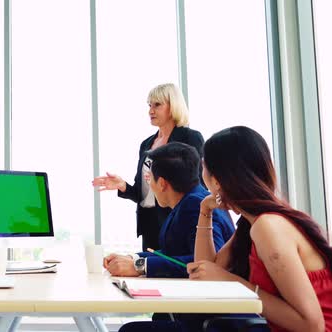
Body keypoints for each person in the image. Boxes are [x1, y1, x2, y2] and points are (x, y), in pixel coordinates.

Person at [187, 126, 332, 331]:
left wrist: (233, 281)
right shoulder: (254, 223)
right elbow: (205, 269)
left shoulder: (267, 227)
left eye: (204, 167)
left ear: (217, 181)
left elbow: (312, 325)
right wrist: (205, 209)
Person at [105, 142, 234, 332]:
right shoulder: (190, 201)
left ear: (163, 183)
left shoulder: (195, 206)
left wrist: (140, 267)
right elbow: (171, 252)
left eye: (150, 180)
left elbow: (206, 263)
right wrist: (133, 258)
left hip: (211, 321)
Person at [92, 83, 204, 251]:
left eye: (157, 105)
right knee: (148, 272)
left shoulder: (190, 137)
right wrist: (123, 186)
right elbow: (142, 193)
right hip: (149, 223)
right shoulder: (146, 144)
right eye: (149, 105)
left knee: (175, 270)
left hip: (177, 219)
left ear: (173, 106)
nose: (150, 111)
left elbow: (197, 183)